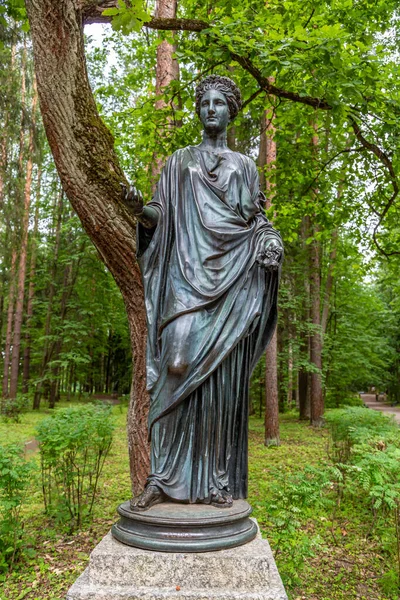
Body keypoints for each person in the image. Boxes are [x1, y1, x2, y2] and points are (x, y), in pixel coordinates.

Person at [121, 75, 283, 510]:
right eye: (204, 103)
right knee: (175, 365)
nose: (211, 109)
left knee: (216, 381)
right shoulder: (179, 161)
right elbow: (160, 214)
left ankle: (213, 478)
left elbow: (256, 221)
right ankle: (162, 476)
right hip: (184, 279)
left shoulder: (245, 166)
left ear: (231, 110)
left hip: (232, 278)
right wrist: (141, 210)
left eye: (219, 103)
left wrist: (269, 242)